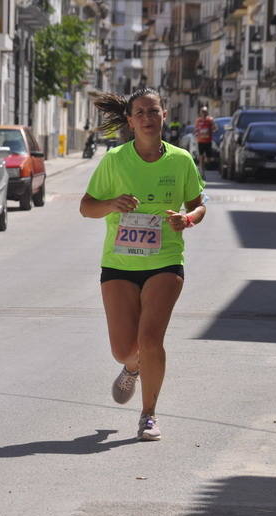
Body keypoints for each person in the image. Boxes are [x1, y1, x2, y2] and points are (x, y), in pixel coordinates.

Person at [81, 88, 206, 441]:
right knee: (124, 348)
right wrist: (111, 205)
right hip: (119, 264)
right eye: (141, 113)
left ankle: (148, 415)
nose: (148, 118)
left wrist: (188, 218)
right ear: (130, 121)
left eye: (154, 111)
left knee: (151, 340)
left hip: (165, 261)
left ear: (164, 115)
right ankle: (131, 367)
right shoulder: (115, 161)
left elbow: (198, 203)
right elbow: (86, 206)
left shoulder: (181, 160)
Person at [193, 106, 215, 175]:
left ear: (207, 112)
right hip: (201, 141)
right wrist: (196, 133)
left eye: (205, 112)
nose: (204, 113)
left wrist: (212, 130)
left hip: (208, 141)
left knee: (208, 159)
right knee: (201, 156)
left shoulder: (210, 120)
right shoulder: (198, 120)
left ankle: (204, 164)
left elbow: (214, 128)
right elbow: (195, 129)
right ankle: (201, 170)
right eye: (202, 112)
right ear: (200, 112)